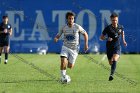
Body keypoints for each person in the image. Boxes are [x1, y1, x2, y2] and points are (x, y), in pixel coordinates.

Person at [54, 12, 88, 82]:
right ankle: (63, 77)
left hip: (74, 49)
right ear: (67, 19)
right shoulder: (64, 27)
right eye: (69, 18)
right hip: (65, 47)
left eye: (72, 18)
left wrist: (86, 44)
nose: (71, 20)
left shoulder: (77, 27)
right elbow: (58, 35)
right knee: (63, 61)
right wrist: (56, 38)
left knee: (70, 66)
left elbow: (85, 34)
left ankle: (65, 71)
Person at [100, 12, 127, 81]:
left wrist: (124, 41)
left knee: (114, 59)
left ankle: (111, 75)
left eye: (116, 20)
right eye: (113, 20)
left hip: (117, 46)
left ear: (117, 20)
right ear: (111, 20)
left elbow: (122, 33)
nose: (115, 21)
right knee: (110, 62)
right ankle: (113, 65)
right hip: (109, 47)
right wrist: (107, 38)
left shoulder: (121, 27)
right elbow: (101, 37)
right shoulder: (108, 28)